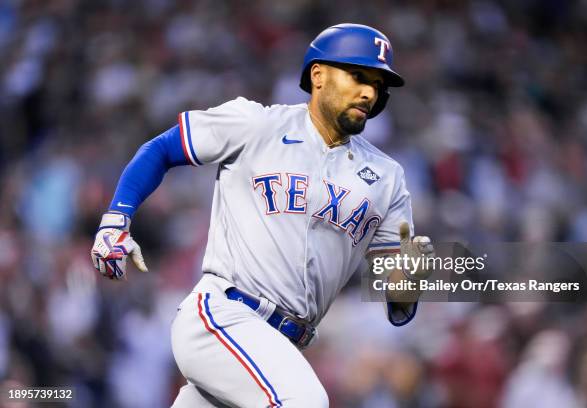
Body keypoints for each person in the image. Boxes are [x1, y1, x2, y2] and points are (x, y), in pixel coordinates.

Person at [91, 23, 432, 407]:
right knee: (303, 402)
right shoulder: (258, 124)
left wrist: (410, 278)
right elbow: (161, 149)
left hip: (279, 346)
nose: (369, 91)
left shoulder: (387, 177)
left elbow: (398, 305)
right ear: (318, 75)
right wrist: (117, 218)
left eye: (378, 83)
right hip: (224, 315)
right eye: (358, 75)